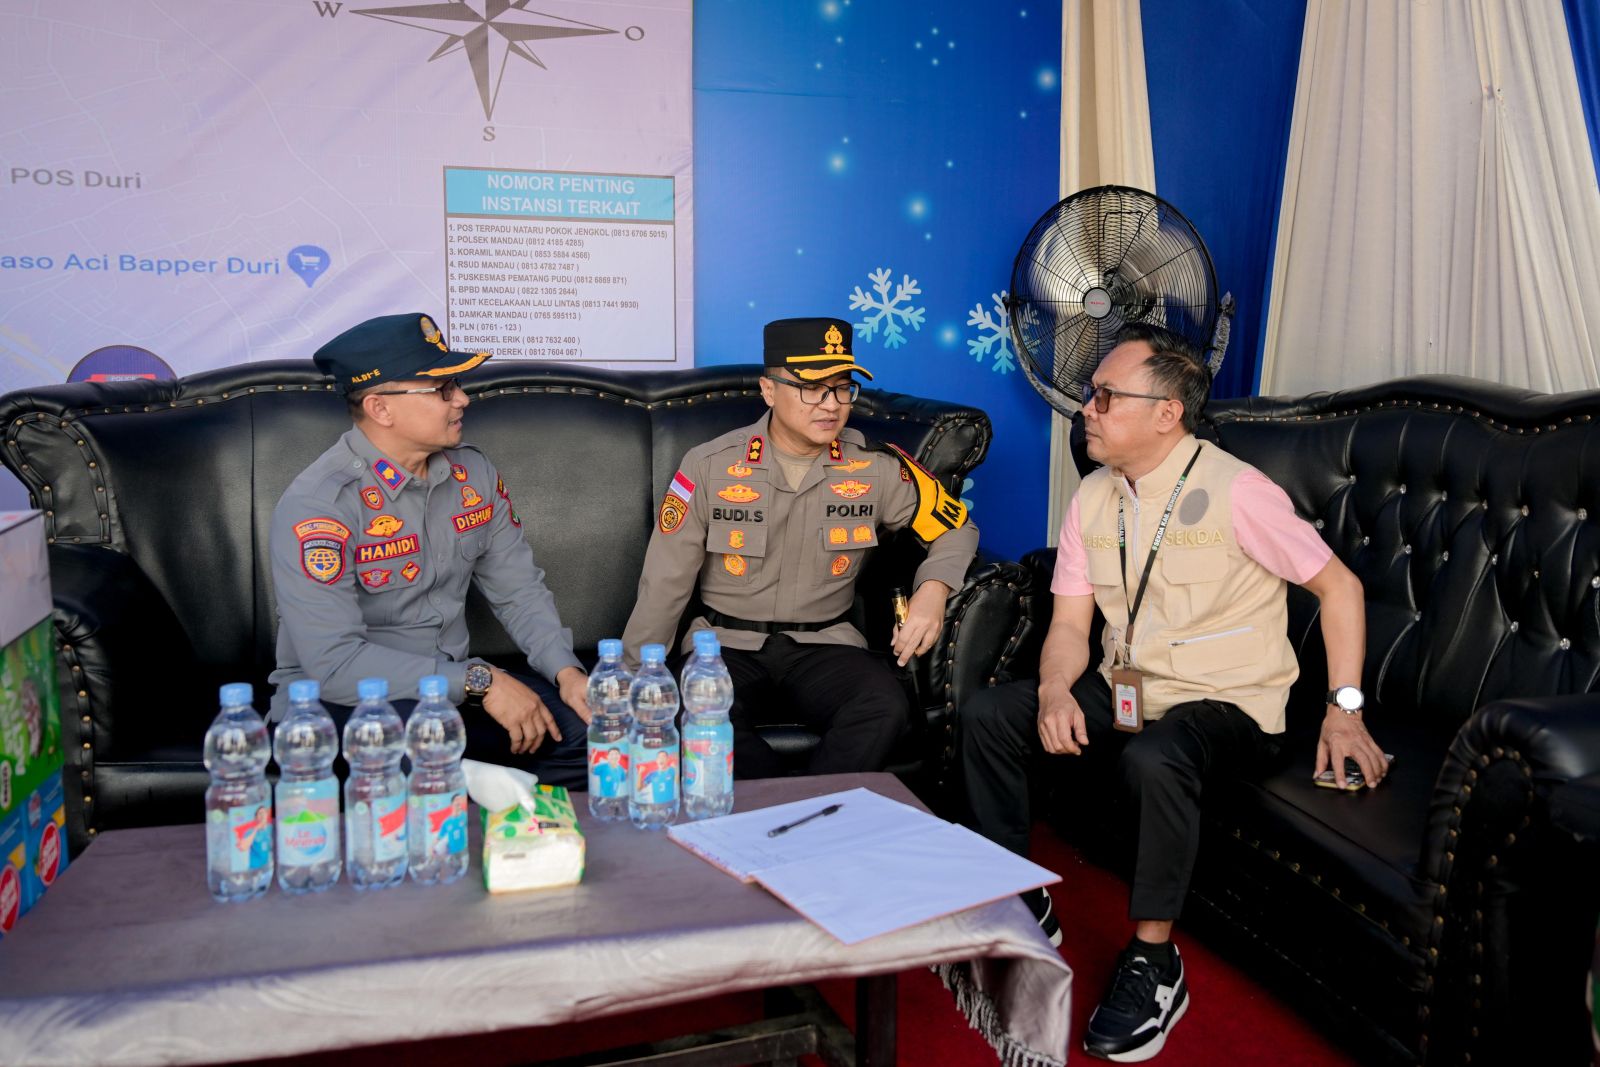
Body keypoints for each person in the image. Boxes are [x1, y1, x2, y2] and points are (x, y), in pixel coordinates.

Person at [958, 323, 1384, 1063]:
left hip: (1232, 701)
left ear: (1167, 413)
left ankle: (1155, 962)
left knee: (1155, 757)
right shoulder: (1093, 496)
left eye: (1105, 396)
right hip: (1132, 686)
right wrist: (1055, 689)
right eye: (1090, 394)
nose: (1085, 408)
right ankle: (1017, 895)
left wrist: (1343, 710)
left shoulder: (1239, 492)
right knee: (992, 712)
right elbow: (1070, 624)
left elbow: (1340, 588)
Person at [621, 317, 979, 776]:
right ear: (769, 390)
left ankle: (810, 807)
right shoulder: (710, 465)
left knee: (885, 706)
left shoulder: (876, 467)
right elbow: (665, 581)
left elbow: (957, 527)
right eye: (812, 389)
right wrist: (634, 677)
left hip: (826, 644)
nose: (831, 405)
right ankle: (788, 804)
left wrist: (933, 590)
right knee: (690, 710)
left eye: (842, 388)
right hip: (724, 645)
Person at [269, 312, 590, 787]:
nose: (462, 399)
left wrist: (566, 673)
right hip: (338, 706)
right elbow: (335, 664)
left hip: (450, 695)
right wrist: (481, 682)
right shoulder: (321, 504)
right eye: (441, 389)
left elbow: (518, 591)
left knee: (595, 738)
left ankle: (518, 825)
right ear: (381, 408)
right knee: (431, 772)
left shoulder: (473, 474)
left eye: (456, 384)